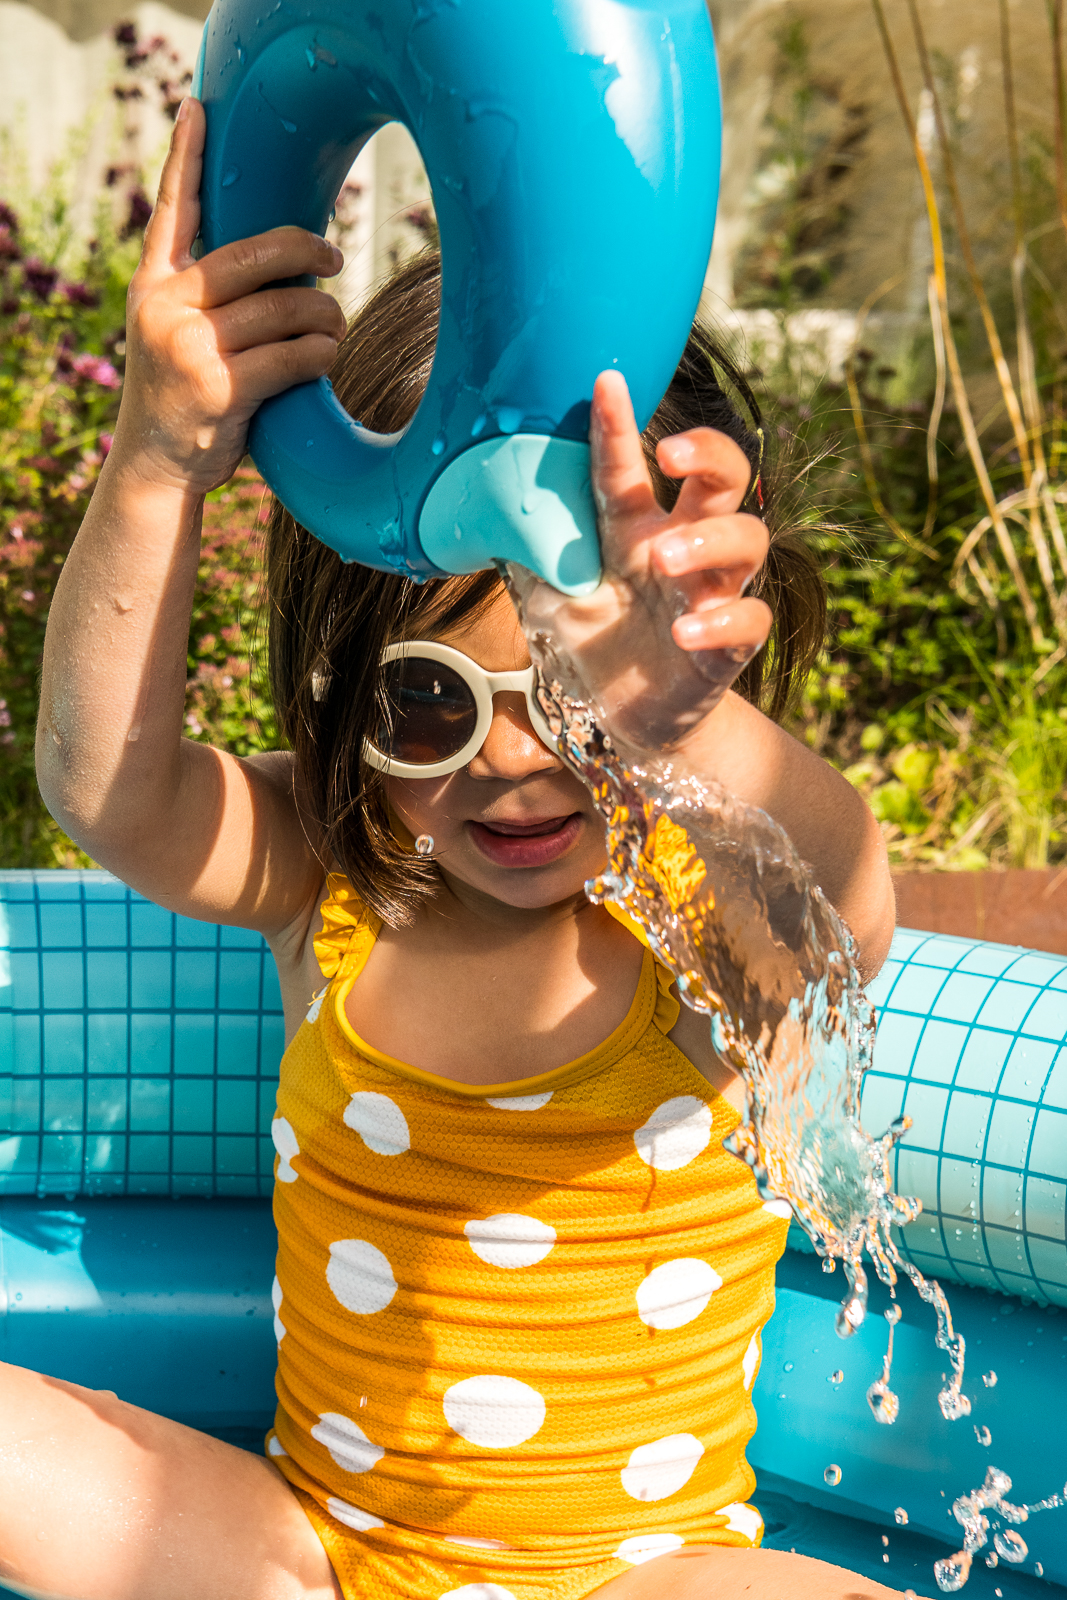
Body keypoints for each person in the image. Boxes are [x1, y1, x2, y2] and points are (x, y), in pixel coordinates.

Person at [22, 98, 905, 1600]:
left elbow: (839, 901)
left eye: (574, 703)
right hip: (314, 1560)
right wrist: (162, 455)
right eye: (430, 702)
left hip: (646, 1574)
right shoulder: (336, 877)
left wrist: (680, 732)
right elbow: (108, 791)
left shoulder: (701, 920)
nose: (511, 761)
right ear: (344, 698)